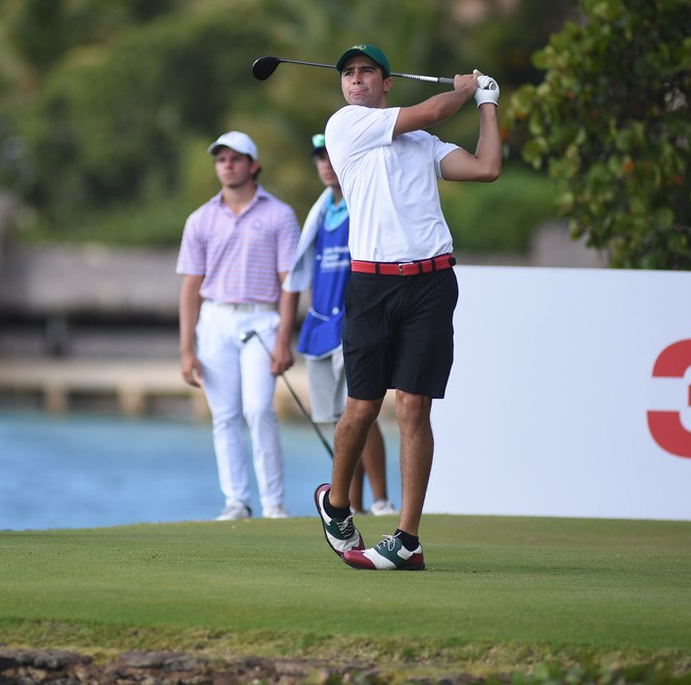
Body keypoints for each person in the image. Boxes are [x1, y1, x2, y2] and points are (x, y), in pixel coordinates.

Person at [313, 43, 501, 571]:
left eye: (366, 73)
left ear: (387, 81)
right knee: (363, 406)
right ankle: (338, 503)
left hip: (431, 282)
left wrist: (488, 102)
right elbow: (437, 107)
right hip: (371, 285)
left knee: (414, 407)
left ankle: (407, 539)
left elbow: (487, 167)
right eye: (348, 74)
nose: (355, 81)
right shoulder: (345, 126)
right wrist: (463, 89)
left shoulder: (423, 143)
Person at [177, 131, 301, 521]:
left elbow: (290, 283)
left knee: (260, 408)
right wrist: (185, 349)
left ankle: (274, 504)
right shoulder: (200, 219)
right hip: (214, 319)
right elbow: (190, 287)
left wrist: (284, 341)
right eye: (221, 159)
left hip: (262, 318)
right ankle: (236, 501)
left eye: (235, 158)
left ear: (254, 165)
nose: (227, 165)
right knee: (225, 415)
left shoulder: (280, 215)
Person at [286, 132, 396, 517]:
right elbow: (297, 278)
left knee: (362, 411)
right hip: (321, 327)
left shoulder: (362, 202)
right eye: (320, 156)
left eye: (332, 154)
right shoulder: (320, 211)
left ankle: (381, 501)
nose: (326, 163)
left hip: (357, 322)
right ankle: (354, 504)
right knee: (341, 420)